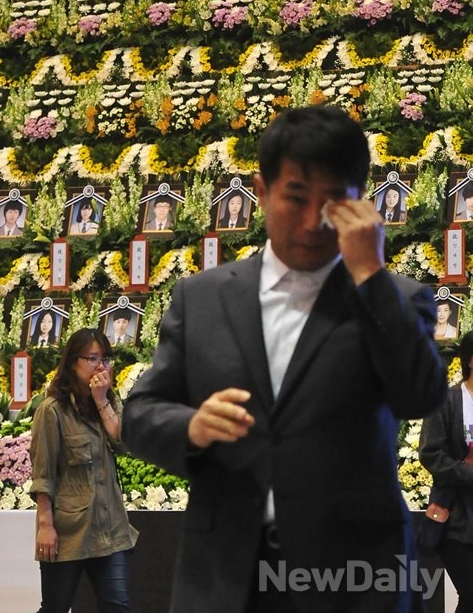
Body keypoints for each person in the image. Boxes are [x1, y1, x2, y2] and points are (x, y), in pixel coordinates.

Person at [122, 105, 446, 613]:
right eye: (296, 197)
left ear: (361, 203)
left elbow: (420, 396)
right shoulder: (201, 299)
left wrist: (371, 276)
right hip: (226, 577)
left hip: (355, 582)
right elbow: (139, 415)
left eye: (333, 201)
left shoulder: (396, 300)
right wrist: (192, 427)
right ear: (261, 190)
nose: (313, 220)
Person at [30, 327, 138, 613]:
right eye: (92, 358)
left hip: (111, 526)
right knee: (55, 607)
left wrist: (101, 400)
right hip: (69, 529)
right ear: (72, 362)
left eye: (105, 359)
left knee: (117, 606)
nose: (101, 366)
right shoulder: (52, 410)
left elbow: (122, 444)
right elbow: (43, 474)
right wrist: (45, 526)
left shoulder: (110, 401)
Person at [419, 330, 473, 613]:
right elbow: (430, 453)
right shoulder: (446, 401)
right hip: (457, 519)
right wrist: (467, 474)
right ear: (470, 360)